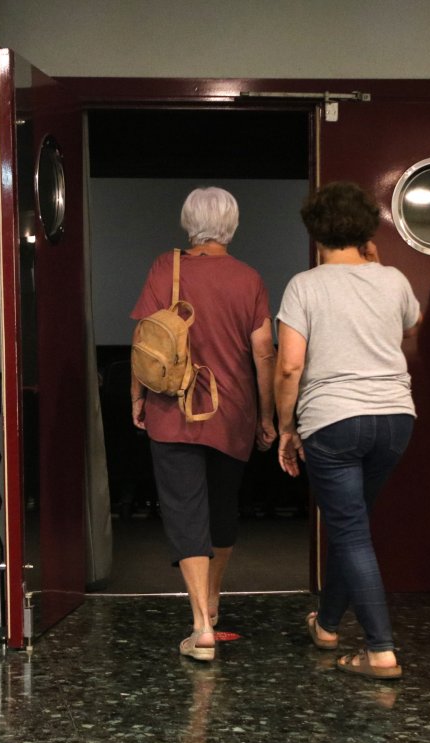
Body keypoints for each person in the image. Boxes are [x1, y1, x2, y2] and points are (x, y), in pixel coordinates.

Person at [274, 181, 421, 680]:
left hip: (334, 422)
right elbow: (408, 328)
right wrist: (374, 264)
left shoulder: (305, 286)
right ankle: (328, 626)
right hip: (396, 420)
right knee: (350, 524)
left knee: (351, 531)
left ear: (314, 230)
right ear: (367, 227)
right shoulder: (394, 280)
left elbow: (290, 367)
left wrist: (286, 427)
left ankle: (381, 650)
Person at [131, 186, 277, 662]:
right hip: (232, 409)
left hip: (173, 408)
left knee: (184, 511)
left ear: (188, 221)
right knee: (222, 510)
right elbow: (263, 353)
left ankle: (200, 627)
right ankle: (212, 604)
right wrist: (268, 414)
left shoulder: (164, 268)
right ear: (231, 225)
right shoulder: (249, 278)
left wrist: (137, 397)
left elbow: (145, 338)